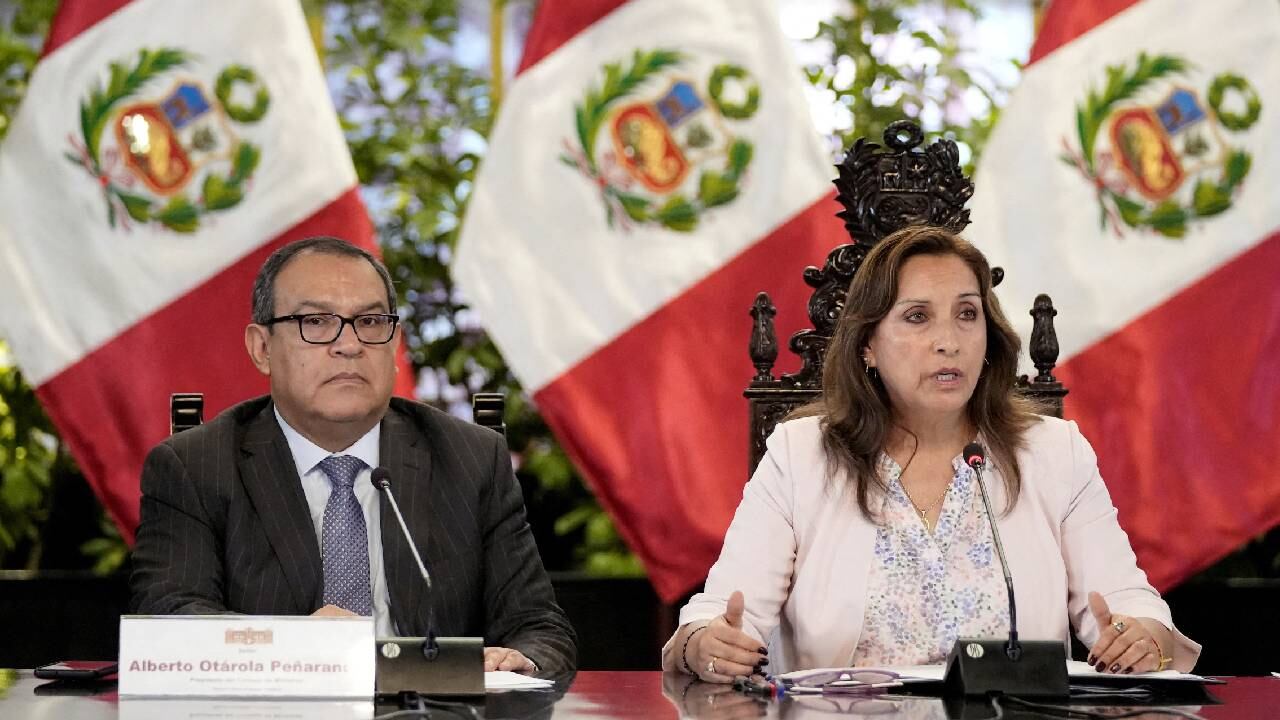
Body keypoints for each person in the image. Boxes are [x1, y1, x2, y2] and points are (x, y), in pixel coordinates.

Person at [661, 225, 1199, 680]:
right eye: (918, 317)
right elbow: (715, 620)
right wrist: (703, 645)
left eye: (967, 315)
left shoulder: (1055, 454)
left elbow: (1131, 607)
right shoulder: (801, 456)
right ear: (867, 344)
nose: (950, 341)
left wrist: (1142, 636)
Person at [131, 236, 576, 675]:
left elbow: (538, 626)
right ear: (262, 348)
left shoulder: (470, 458)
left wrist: (521, 660)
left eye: (370, 322)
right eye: (317, 322)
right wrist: (295, 646)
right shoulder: (196, 466)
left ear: (394, 344)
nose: (349, 344)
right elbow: (170, 620)